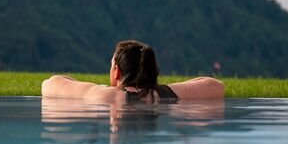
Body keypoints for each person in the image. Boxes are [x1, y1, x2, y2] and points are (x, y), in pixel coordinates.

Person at [41, 40, 225, 102]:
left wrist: (101, 88)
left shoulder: (106, 95)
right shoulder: (165, 95)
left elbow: (49, 84)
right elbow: (217, 86)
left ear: (117, 72)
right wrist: (159, 88)